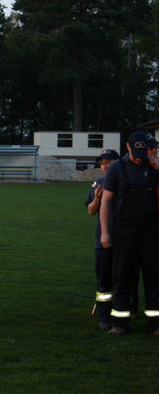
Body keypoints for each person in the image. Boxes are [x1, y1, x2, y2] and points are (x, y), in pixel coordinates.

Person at [100, 132, 159, 335]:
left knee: (153, 277)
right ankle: (120, 322)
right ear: (128, 147)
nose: (139, 158)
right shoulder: (116, 168)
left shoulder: (153, 167)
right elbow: (105, 201)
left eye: (144, 153)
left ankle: (155, 323)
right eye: (136, 153)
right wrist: (104, 232)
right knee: (122, 276)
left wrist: (156, 165)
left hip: (150, 231)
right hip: (124, 231)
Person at [85, 149, 119, 330]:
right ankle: (104, 317)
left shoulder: (124, 180)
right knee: (104, 279)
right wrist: (97, 198)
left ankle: (126, 312)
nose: (104, 166)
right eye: (102, 163)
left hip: (124, 237)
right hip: (103, 240)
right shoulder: (98, 183)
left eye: (108, 162)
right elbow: (91, 210)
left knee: (124, 277)